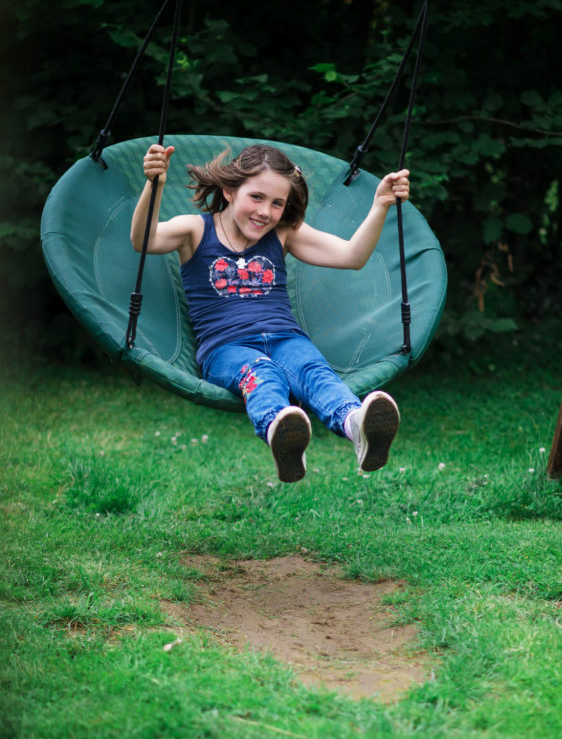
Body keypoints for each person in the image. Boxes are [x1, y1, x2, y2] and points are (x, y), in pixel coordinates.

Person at [131, 142, 410, 483]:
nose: (266, 211)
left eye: (277, 203)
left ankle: (357, 426)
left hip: (284, 337)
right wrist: (154, 185)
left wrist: (380, 204)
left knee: (312, 370)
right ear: (230, 190)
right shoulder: (195, 229)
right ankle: (281, 432)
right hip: (225, 349)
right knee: (261, 374)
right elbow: (144, 240)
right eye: (257, 197)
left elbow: (351, 256)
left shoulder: (282, 234)